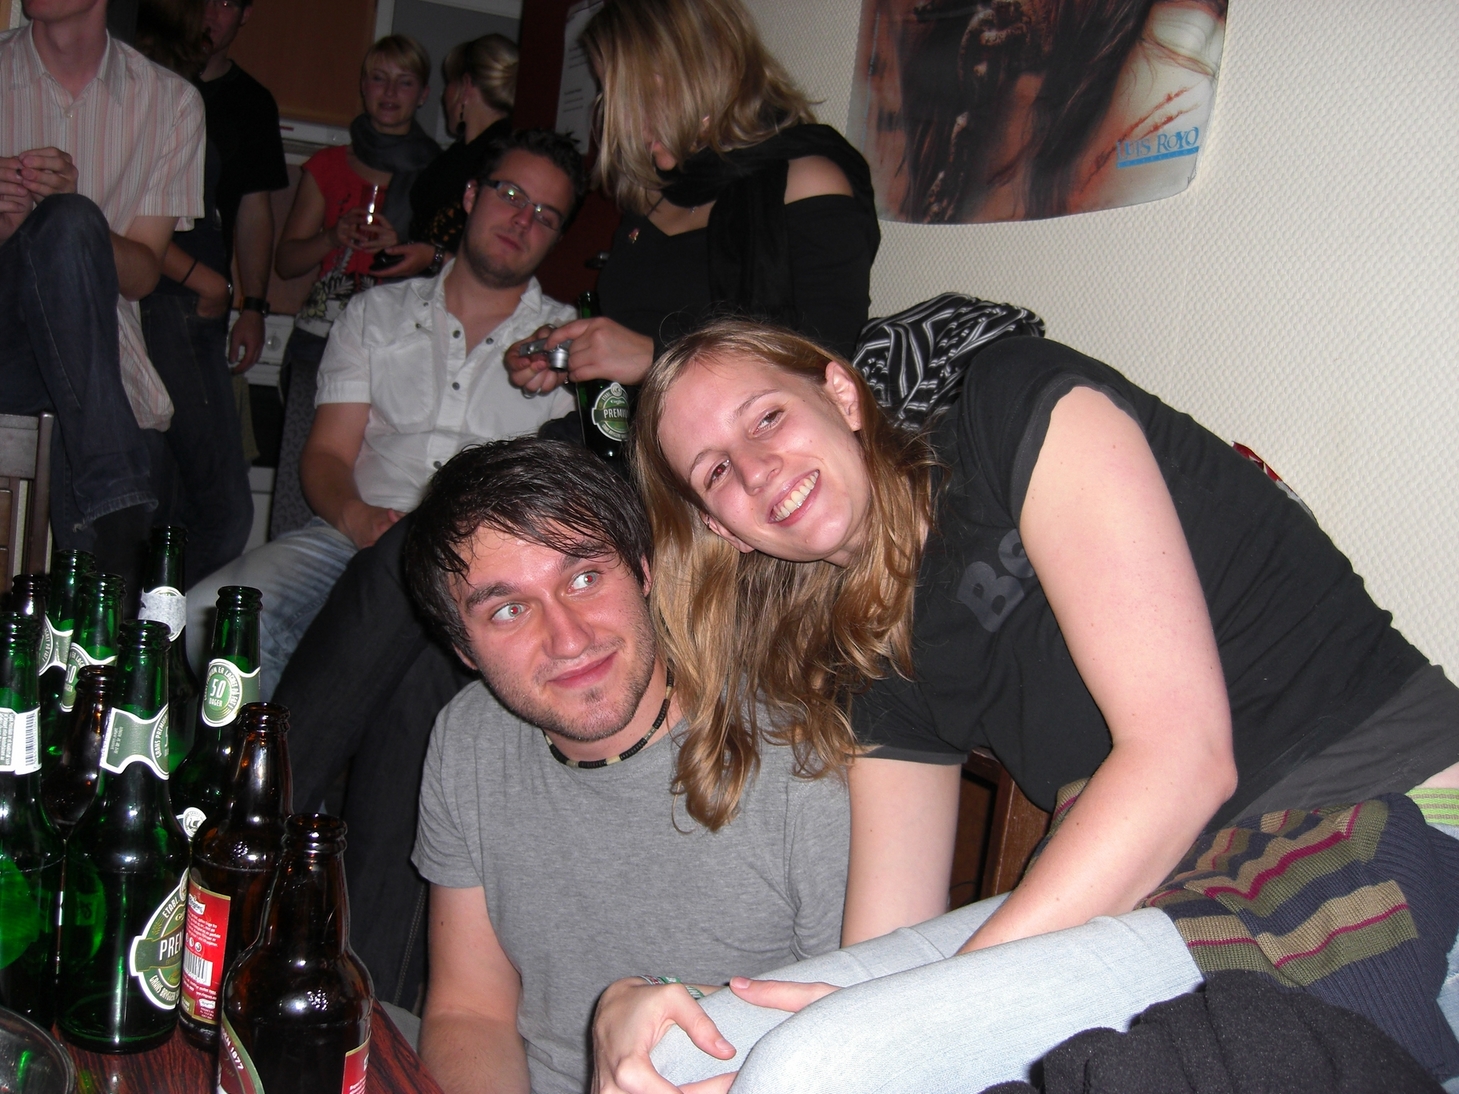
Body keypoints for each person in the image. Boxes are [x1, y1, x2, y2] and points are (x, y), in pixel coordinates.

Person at [589, 318, 1459, 1092]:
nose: (756, 469)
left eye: (766, 418)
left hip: (1381, 813)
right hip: (1180, 882)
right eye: (716, 472)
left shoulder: (1007, 403)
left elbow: (1182, 759)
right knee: (686, 1057)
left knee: (815, 1069)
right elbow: (886, 932)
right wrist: (647, 996)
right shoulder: (867, 652)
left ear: (841, 395)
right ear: (723, 529)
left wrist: (911, 1020)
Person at [396, 437, 849, 1094]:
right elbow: (470, 1011)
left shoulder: (797, 763)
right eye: (509, 610)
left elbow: (854, 1035)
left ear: (642, 570)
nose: (569, 639)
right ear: (463, 649)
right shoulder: (470, 737)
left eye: (584, 577)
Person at [186, 129, 582, 701]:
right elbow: (327, 453)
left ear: (557, 238)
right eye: (512, 195)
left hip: (487, 564)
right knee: (214, 617)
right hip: (358, 538)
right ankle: (274, 762)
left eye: (545, 215)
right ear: (472, 195)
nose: (523, 221)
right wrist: (357, 519)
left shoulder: (570, 345)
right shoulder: (374, 313)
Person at [507, 0, 879, 398]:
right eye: (613, 96)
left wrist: (654, 357)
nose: (626, 123)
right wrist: (573, 355)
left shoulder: (807, 183)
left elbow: (826, 369)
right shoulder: (650, 198)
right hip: (629, 433)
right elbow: (631, 341)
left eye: (639, 96)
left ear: (700, 72)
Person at [0, 0, 204, 580]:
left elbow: (141, 277)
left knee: (69, 221)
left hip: (92, 365)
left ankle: (95, 580)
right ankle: (118, 509)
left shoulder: (171, 102)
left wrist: (78, 224)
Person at [268, 33, 440, 538]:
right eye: (378, 79)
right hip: (320, 341)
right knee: (308, 476)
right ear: (363, 86)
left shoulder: (439, 174)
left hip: (401, 346)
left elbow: (451, 273)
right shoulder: (327, 166)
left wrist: (403, 247)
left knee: (387, 475)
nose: (389, 92)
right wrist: (331, 236)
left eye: (404, 82)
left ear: (423, 94)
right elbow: (286, 262)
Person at [133, 0, 256, 580]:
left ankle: (151, 627)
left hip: (182, 309)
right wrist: (203, 279)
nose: (211, 14)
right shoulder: (151, 91)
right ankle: (155, 627)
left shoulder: (172, 89)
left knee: (173, 506)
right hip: (170, 306)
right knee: (222, 513)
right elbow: (117, 212)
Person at [196, 0, 290, 373]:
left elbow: (254, 214)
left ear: (244, 14)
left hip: (205, 295)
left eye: (224, 3)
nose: (209, 14)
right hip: (133, 281)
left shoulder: (253, 103)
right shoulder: (148, 81)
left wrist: (252, 308)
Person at [379, 33, 517, 278]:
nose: (444, 95)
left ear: (465, 86)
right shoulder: (464, 156)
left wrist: (433, 258)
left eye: (449, 83)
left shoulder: (497, 161)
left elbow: (496, 263)